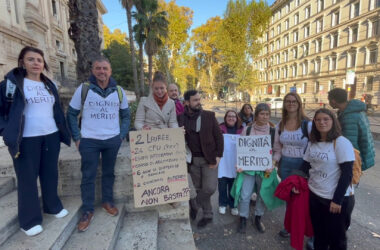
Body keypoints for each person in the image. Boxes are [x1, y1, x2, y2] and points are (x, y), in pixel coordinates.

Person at [0, 46, 71, 236]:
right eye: (31, 59)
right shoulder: (12, 84)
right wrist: (6, 132)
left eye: (39, 60)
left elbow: (55, 110)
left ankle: (52, 206)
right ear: (22, 62)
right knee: (27, 179)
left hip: (50, 135)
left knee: (50, 174)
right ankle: (29, 221)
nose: (36, 63)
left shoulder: (50, 85)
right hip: (25, 139)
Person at [66, 57, 130, 232]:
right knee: (88, 175)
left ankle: (107, 202)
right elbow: (71, 114)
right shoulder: (84, 89)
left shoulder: (118, 91)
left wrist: (121, 135)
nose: (102, 71)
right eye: (98, 68)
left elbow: (126, 115)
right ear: (93, 70)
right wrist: (77, 138)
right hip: (89, 141)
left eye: (105, 68)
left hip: (112, 140)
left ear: (110, 71)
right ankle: (87, 210)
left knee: (109, 173)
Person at [302, 108, 355, 249]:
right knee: (319, 236)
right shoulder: (313, 142)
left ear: (333, 121)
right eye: (318, 120)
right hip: (315, 195)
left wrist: (337, 200)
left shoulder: (341, 143)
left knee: (337, 240)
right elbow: (306, 165)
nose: (322, 122)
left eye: (326, 119)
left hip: (335, 200)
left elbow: (347, 174)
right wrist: (296, 181)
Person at [177, 90, 224, 228]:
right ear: (186, 102)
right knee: (198, 188)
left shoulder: (209, 116)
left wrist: (218, 156)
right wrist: (179, 134)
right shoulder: (180, 118)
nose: (199, 102)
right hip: (192, 160)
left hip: (209, 159)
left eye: (199, 99)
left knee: (209, 188)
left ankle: (195, 204)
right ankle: (208, 214)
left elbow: (219, 136)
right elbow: (175, 138)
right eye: (195, 100)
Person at [235, 103, 279, 234]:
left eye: (267, 114)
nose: (265, 117)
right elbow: (241, 149)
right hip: (248, 168)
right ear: (256, 115)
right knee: (245, 194)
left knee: (262, 194)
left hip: (265, 170)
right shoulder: (247, 130)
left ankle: (258, 218)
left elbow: (277, 150)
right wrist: (239, 163)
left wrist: (273, 163)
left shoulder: (272, 131)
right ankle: (243, 218)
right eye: (262, 114)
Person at [273, 92, 311, 238]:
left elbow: (314, 146)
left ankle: (305, 228)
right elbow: (277, 148)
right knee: (289, 197)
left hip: (302, 165)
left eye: (294, 101)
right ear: (284, 104)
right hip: (285, 164)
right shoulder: (280, 124)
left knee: (302, 199)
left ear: (299, 103)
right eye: (288, 101)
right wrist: (273, 162)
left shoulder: (307, 124)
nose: (291, 103)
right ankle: (288, 226)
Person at [328, 88, 375, 171]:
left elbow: (350, 145)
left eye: (329, 100)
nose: (329, 102)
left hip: (355, 160)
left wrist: (349, 166)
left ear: (333, 101)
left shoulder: (348, 117)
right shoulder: (355, 110)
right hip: (364, 153)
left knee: (351, 182)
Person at [218, 110, 243, 216]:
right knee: (222, 184)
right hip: (223, 161)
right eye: (229, 116)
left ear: (237, 118)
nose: (231, 118)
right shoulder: (220, 129)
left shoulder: (242, 130)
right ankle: (222, 204)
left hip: (236, 162)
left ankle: (233, 205)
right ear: (225, 118)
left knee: (234, 185)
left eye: (233, 116)